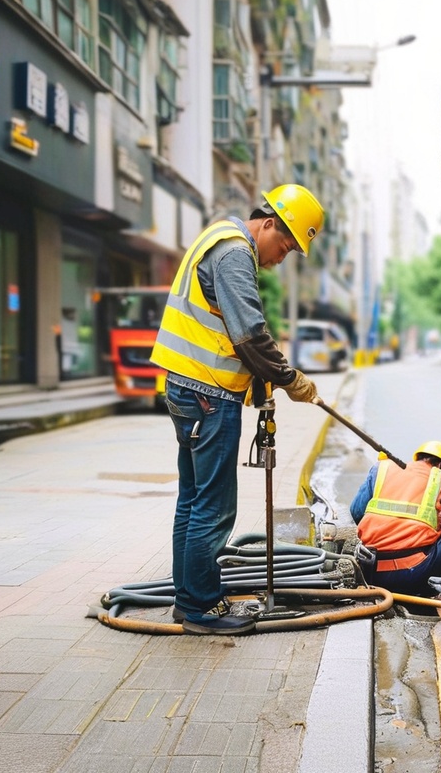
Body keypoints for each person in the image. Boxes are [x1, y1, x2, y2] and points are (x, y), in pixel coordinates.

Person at [151, 184, 324, 636]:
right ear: (268, 223)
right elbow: (249, 333)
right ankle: (201, 609)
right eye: (284, 245)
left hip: (189, 390)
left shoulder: (220, 239)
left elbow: (231, 331)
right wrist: (291, 379)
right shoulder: (233, 253)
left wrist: (266, 384)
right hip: (208, 395)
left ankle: (188, 600)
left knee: (192, 501)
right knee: (213, 507)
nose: (281, 257)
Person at [349, 440, 441, 596]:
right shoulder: (437, 478)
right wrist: (440, 525)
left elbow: (357, 511)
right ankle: (434, 579)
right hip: (409, 574)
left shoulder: (383, 468)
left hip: (369, 569)